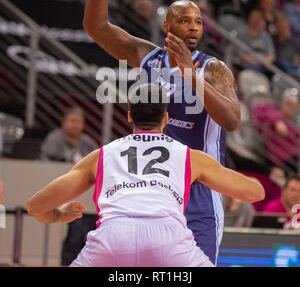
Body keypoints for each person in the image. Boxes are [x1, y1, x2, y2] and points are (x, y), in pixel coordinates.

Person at [81, 0, 241, 265]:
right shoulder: (146, 56)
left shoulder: (213, 69)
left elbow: (232, 121)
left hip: (199, 193)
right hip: (153, 190)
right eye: (184, 21)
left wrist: (189, 75)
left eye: (198, 21)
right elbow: (96, 26)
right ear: (167, 25)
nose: (194, 27)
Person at [27, 83, 265, 267]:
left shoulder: (101, 155)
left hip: (113, 237)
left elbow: (35, 206)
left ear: (129, 116)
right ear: (165, 119)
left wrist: (58, 215)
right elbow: (254, 193)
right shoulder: (189, 157)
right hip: (168, 237)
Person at [40, 106, 98, 265]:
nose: (75, 125)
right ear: (63, 122)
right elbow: (45, 163)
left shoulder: (87, 142)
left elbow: (97, 164)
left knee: (89, 235)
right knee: (73, 237)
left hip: (87, 197)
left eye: (79, 122)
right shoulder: (54, 139)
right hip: (63, 195)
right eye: (72, 121)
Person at [252, 88, 300, 174]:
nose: (290, 108)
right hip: (282, 159)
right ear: (282, 103)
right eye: (288, 104)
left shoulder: (291, 124)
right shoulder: (274, 112)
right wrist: (277, 121)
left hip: (294, 157)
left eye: (293, 106)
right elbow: (256, 106)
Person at [238, 7, 276, 73]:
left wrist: (265, 62)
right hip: (250, 64)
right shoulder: (241, 34)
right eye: (254, 18)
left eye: (259, 18)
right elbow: (242, 56)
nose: (256, 20)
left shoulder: (265, 35)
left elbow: (271, 54)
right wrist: (258, 62)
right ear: (248, 18)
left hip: (265, 64)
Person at [273, 14, 300, 80]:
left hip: (291, 68)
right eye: (281, 26)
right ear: (277, 27)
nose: (283, 28)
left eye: (285, 26)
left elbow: (296, 60)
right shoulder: (272, 40)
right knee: (281, 62)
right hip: (278, 67)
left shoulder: (294, 41)